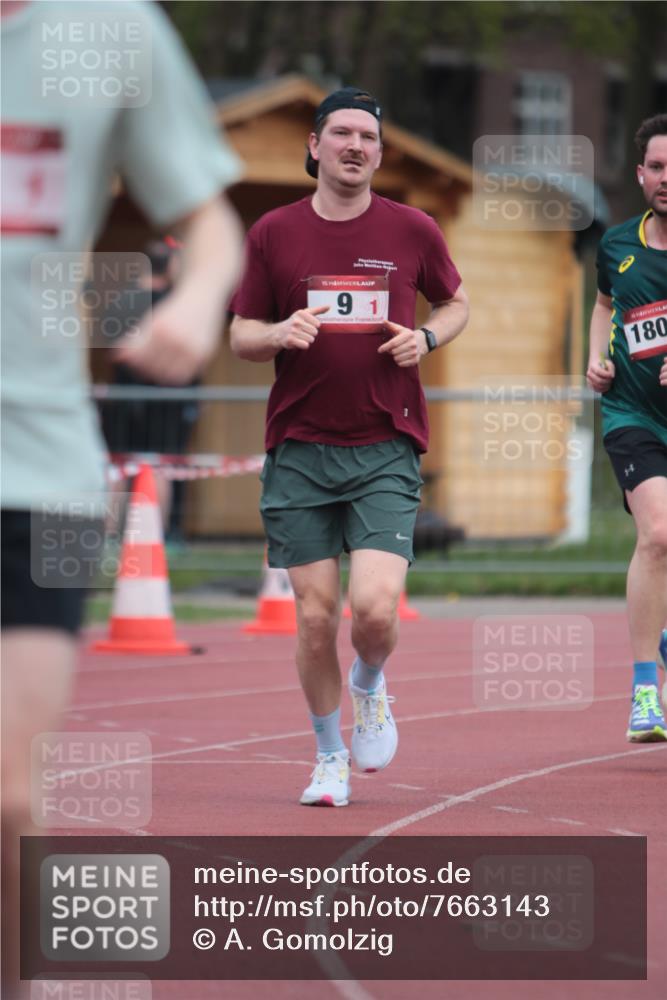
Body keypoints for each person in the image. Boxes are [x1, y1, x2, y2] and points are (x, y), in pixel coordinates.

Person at [1, 2, 243, 995]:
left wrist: (191, 302)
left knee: (9, 800)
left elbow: (209, 222)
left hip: (37, 469)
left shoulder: (108, 30)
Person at [230, 86, 469, 806]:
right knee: (311, 618)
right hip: (299, 448)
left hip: (384, 444)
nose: (356, 146)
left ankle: (369, 683)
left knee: (372, 608)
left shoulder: (412, 230)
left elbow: (456, 303)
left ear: (379, 152)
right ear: (314, 145)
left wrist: (426, 336)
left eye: (368, 136)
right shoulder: (273, 232)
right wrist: (277, 334)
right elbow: (241, 333)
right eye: (341, 133)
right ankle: (328, 755)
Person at [585, 112, 667, 743]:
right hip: (632, 413)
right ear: (640, 174)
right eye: (658, 168)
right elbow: (607, 303)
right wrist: (596, 354)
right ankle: (646, 690)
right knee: (659, 535)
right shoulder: (615, 244)